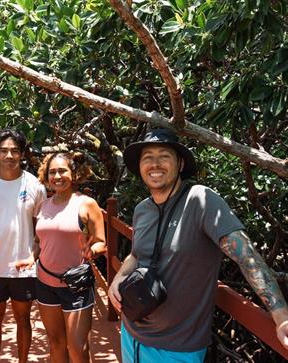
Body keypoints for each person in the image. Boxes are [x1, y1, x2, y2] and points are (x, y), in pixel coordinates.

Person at [107, 128, 288, 362]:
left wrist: (281, 314)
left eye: (164, 156)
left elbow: (246, 256)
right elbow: (135, 253)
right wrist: (119, 277)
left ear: (180, 164)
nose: (155, 164)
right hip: (132, 333)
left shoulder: (201, 200)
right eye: (147, 157)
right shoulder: (142, 209)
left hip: (177, 347)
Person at [15, 152, 107, 363]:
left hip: (76, 284)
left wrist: (92, 250)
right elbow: (40, 241)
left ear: (73, 174)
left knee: (77, 347)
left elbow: (101, 241)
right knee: (56, 343)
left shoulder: (86, 204)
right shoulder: (43, 206)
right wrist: (32, 258)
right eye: (52, 172)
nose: (57, 176)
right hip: (45, 282)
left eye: (62, 171)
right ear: (46, 177)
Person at [0, 129, 47, 363]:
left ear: (22, 154)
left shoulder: (35, 185)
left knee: (23, 319)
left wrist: (34, 257)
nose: (9, 156)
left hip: (23, 266)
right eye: (4, 151)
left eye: (15, 151)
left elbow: (41, 230)